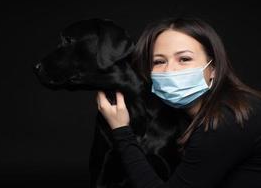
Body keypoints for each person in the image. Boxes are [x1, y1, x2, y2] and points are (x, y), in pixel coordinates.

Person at [96, 17, 261, 188]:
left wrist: (121, 130)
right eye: (159, 61)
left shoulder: (228, 119)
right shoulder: (193, 115)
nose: (169, 70)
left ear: (213, 69)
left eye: (184, 59)